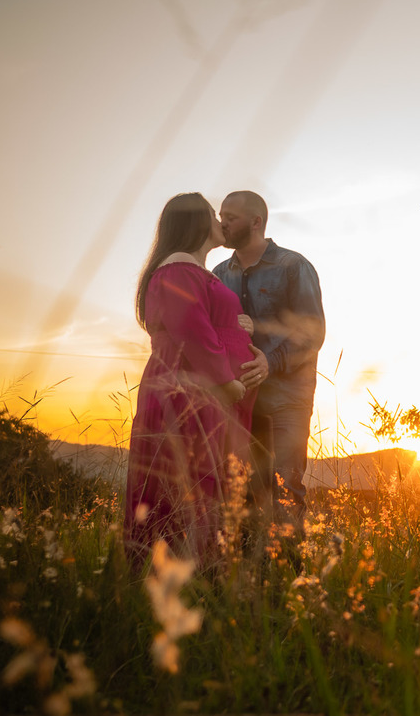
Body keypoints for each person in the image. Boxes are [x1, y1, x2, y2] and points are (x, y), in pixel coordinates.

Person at [124, 192, 265, 570]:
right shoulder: (179, 268)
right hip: (192, 391)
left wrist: (241, 326)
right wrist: (226, 382)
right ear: (195, 224)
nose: (220, 220)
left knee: (203, 482)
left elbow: (205, 320)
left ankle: (199, 576)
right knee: (186, 480)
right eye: (212, 213)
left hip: (204, 393)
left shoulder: (195, 272)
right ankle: (177, 577)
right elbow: (190, 328)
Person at [213, 190, 324, 530]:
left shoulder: (294, 266)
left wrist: (269, 363)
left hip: (286, 399)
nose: (222, 223)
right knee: (242, 496)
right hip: (239, 400)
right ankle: (250, 581)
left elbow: (311, 334)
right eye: (221, 215)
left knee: (287, 491)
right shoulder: (218, 273)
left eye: (230, 216)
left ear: (256, 222)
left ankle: (290, 580)